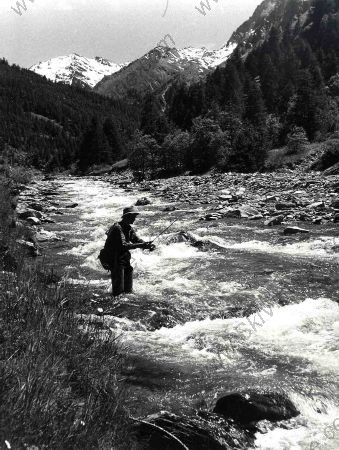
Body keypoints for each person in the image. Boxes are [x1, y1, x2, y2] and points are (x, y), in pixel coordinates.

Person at [104, 206, 155, 296]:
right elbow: (123, 245)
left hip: (124, 258)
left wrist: (146, 245)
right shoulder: (117, 228)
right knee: (118, 293)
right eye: (133, 217)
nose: (135, 219)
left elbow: (136, 239)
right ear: (127, 216)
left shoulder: (128, 228)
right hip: (115, 260)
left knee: (128, 291)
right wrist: (141, 245)